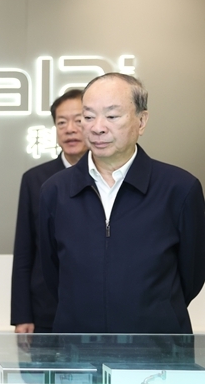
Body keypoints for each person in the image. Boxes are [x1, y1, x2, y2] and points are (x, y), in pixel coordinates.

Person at [39, 73, 205, 333]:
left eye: (112, 116)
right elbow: (53, 274)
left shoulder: (180, 188)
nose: (98, 127)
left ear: (141, 120)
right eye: (88, 117)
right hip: (78, 344)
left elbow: (191, 275)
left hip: (158, 345)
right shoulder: (55, 190)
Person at [11, 89, 85, 334]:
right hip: (46, 310)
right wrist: (22, 315)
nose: (69, 129)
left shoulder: (109, 177)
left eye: (78, 120)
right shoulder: (36, 179)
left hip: (95, 309)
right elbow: (24, 251)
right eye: (61, 122)